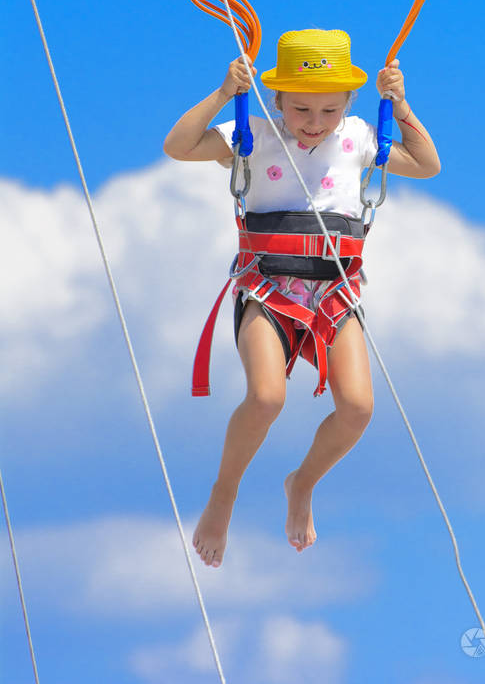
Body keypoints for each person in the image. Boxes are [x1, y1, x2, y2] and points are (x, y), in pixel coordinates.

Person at [164, 28, 440, 566]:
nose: (314, 123)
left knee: (358, 409)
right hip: (267, 289)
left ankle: (303, 483)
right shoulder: (255, 135)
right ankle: (225, 493)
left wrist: (401, 106)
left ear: (350, 105)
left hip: (334, 295)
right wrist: (224, 94)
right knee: (266, 397)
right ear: (277, 101)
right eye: (301, 109)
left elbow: (427, 163)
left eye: (328, 110)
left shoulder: (358, 137)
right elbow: (177, 147)